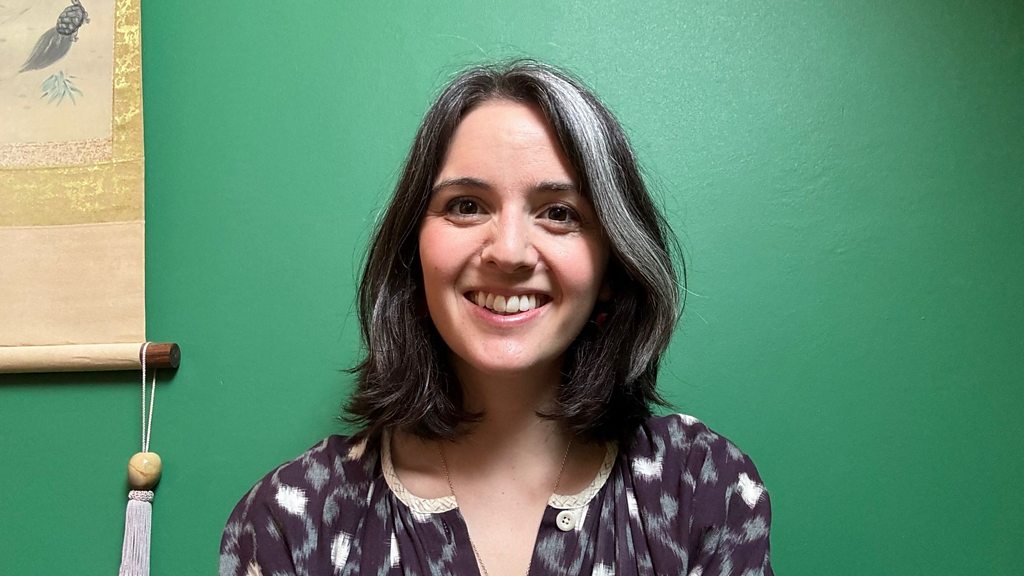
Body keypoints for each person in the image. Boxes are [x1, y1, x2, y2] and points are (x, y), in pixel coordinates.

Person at [220, 60, 773, 576]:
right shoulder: (291, 520)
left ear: (613, 265)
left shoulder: (703, 489)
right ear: (414, 253)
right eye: (466, 205)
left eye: (559, 213)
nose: (508, 252)